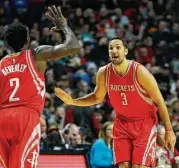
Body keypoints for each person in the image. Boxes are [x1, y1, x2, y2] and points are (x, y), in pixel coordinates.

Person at [54, 36, 176, 168]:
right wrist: (73, 101)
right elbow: (96, 98)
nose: (114, 50)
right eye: (111, 48)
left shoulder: (139, 71)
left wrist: (169, 130)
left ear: (126, 51)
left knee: (138, 166)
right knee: (123, 166)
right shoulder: (103, 72)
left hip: (143, 123)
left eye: (118, 47)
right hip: (122, 123)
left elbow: (159, 100)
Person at [0, 6, 80, 168]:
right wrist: (64, 26)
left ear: (8, 44)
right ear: (28, 40)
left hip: (2, 117)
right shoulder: (37, 55)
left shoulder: (1, 64)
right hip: (26, 116)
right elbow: (73, 47)